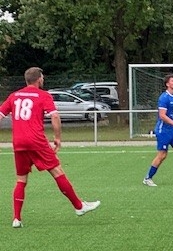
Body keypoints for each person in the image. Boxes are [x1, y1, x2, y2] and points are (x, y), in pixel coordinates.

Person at [0, 67, 100, 228]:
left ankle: (16, 219)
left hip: (18, 143)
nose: (43, 79)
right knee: (57, 172)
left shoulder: (14, 96)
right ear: (38, 79)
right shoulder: (43, 95)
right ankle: (79, 206)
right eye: (42, 77)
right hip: (37, 141)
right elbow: (54, 115)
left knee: (21, 180)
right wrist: (57, 138)